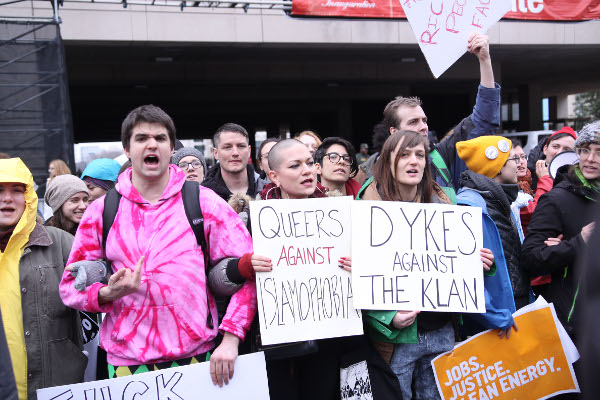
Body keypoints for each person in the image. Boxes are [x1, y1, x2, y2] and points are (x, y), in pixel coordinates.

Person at [59, 105, 256, 386]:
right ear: (127, 149)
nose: (151, 144)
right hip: (127, 365)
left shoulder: (205, 202)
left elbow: (250, 270)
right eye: (141, 138)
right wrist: (106, 292)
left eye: (160, 138)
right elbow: (69, 287)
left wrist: (231, 339)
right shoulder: (101, 211)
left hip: (199, 357)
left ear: (171, 148)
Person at [356, 131, 494, 400]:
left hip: (442, 331)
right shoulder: (366, 212)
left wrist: (477, 263)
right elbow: (358, 282)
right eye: (404, 155)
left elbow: (455, 267)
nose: (414, 161)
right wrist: (387, 317)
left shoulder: (446, 207)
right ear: (388, 162)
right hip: (396, 339)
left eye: (420, 155)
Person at [355, 33, 500, 204]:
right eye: (413, 122)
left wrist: (485, 60)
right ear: (393, 132)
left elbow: (483, 120)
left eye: (424, 120)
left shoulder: (442, 156)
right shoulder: (367, 171)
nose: (423, 127)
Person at [0, 158, 87, 400]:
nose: (7, 198)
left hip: (55, 389)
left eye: (17, 190)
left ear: (28, 197)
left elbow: (105, 272)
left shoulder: (59, 242)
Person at [521, 120, 600, 342]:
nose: (590, 159)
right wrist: (578, 243)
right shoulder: (557, 199)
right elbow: (530, 259)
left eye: (598, 152)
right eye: (585, 150)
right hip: (573, 329)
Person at [456, 136, 532, 311]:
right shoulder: (469, 206)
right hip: (497, 316)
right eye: (514, 158)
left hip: (514, 307)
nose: (520, 164)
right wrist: (495, 315)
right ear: (497, 168)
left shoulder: (502, 200)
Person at [202, 123, 266, 202]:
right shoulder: (201, 197)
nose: (235, 153)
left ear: (249, 151)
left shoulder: (270, 191)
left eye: (241, 146)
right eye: (227, 147)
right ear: (215, 153)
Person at [526, 126, 577, 191]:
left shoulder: (577, 178)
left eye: (567, 150)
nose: (559, 152)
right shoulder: (528, 174)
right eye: (555, 147)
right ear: (545, 149)